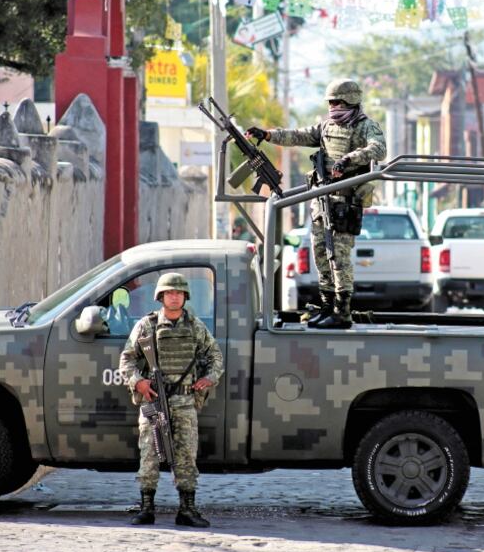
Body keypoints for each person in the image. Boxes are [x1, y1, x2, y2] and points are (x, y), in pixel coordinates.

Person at [245, 78, 386, 329]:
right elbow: (297, 136)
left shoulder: (366, 127)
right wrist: (267, 135)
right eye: (330, 102)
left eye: (337, 102)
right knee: (320, 254)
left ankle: (342, 312)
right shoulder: (326, 127)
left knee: (338, 257)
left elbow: (378, 149)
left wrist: (350, 159)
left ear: (351, 100)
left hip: (345, 201)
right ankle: (327, 307)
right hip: (322, 201)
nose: (333, 107)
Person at [118, 272, 224, 527]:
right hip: (154, 401)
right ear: (161, 296)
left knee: (186, 455)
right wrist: (138, 382)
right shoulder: (148, 325)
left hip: (185, 402)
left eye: (178, 293)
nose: (174, 297)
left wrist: (209, 378)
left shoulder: (195, 326)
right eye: (169, 293)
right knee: (150, 453)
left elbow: (216, 356)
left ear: (184, 296)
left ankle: (187, 509)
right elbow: (127, 359)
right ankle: (146, 508)